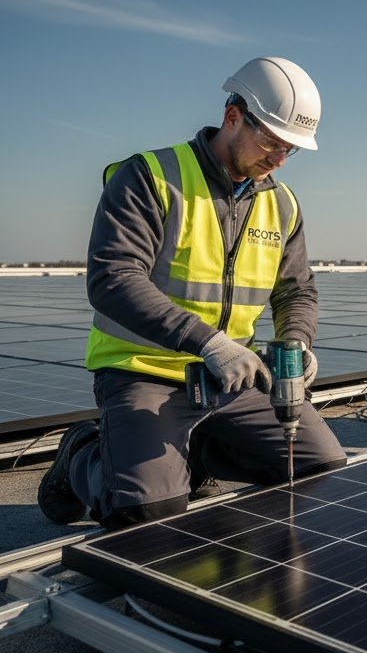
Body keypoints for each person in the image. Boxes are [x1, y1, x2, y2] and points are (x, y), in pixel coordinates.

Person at [38, 57, 348, 529]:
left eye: (291, 150)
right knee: (145, 514)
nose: (279, 160)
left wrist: (298, 342)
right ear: (233, 118)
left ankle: (193, 450)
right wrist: (208, 342)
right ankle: (82, 452)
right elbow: (112, 277)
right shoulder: (151, 177)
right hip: (144, 371)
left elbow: (297, 290)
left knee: (319, 468)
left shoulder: (281, 203)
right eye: (271, 142)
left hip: (233, 380)